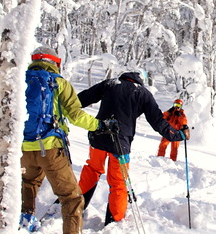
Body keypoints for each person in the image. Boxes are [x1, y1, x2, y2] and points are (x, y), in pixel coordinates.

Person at [77, 72, 187, 226]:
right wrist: (178, 135)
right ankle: (114, 221)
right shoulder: (143, 93)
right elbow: (157, 122)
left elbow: (82, 99)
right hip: (120, 143)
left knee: (92, 170)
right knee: (118, 182)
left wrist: (60, 105)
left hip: (98, 136)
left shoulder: (110, 83)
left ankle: (74, 206)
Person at [20, 46, 100, 234]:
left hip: (24, 148)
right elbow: (75, 115)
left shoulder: (20, 80)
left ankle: (24, 221)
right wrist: (99, 125)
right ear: (55, 62)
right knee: (71, 195)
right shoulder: (59, 83)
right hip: (51, 148)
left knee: (28, 182)